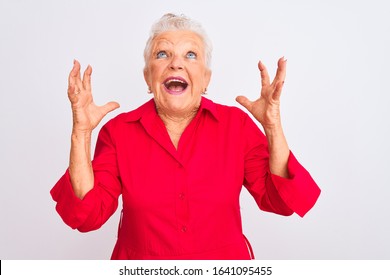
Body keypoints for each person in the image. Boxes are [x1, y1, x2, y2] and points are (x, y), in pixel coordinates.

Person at [51, 13, 320, 260]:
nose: (176, 63)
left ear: (206, 78)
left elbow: (282, 201)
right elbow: (86, 216)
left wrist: (272, 126)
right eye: (162, 54)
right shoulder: (119, 132)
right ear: (148, 77)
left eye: (191, 55)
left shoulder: (236, 126)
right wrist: (82, 132)